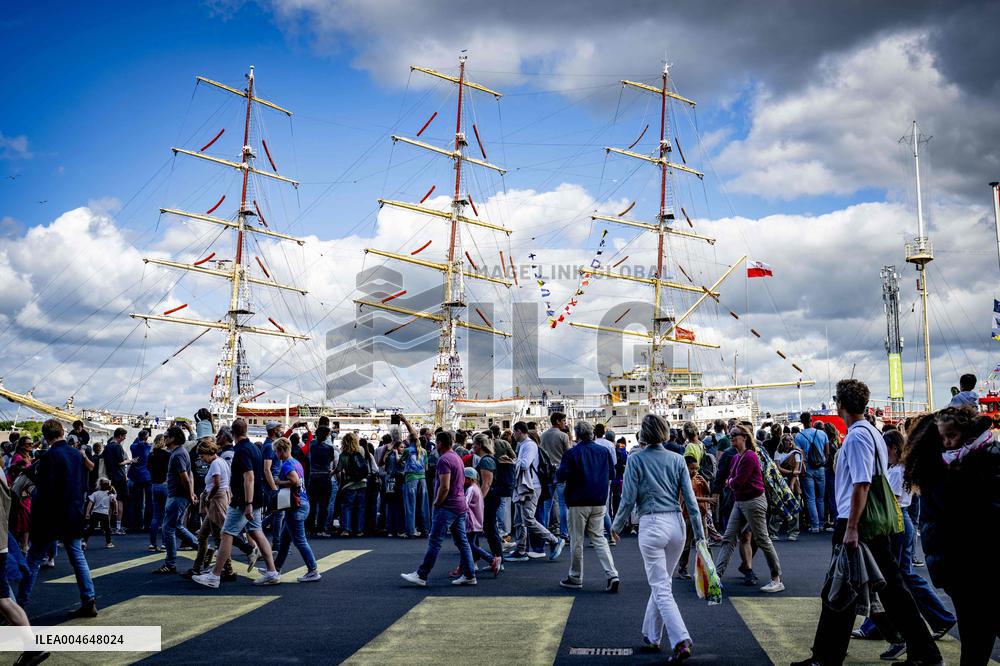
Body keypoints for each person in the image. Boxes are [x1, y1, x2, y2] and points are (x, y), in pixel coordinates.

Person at [792, 379, 942, 666]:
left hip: (856, 521)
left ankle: (825, 657)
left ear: (840, 405)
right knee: (886, 589)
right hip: (865, 521)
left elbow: (862, 483)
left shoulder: (858, 436)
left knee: (842, 589)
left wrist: (850, 528)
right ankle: (923, 651)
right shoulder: (872, 432)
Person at [903, 408, 998, 665]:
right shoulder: (964, 463)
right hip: (972, 561)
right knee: (979, 630)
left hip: (961, 562)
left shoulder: (941, 468)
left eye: (951, 436)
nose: (948, 442)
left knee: (975, 632)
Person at [854, 428, 956, 657]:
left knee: (896, 579)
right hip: (903, 521)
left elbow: (894, 499)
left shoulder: (897, 471)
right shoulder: (899, 469)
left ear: (892, 448)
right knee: (901, 577)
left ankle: (891, 626)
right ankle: (938, 618)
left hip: (899, 522)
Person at [611, 413, 703, 662]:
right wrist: (701, 536)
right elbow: (691, 502)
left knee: (660, 585)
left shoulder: (635, 459)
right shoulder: (677, 459)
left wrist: (616, 526)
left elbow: (628, 499)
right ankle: (652, 636)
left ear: (642, 433)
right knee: (663, 583)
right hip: (676, 524)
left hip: (651, 523)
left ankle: (681, 639)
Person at [16, 419, 97, 618]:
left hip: (51, 516)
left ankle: (19, 605)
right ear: (62, 431)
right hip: (73, 512)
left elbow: (45, 491)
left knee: (33, 559)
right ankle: (89, 599)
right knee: (77, 556)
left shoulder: (48, 457)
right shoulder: (76, 455)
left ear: (45, 436)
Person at [193, 418, 280, 588]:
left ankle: (214, 575)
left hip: (243, 500)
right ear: (246, 431)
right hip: (255, 498)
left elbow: (249, 477)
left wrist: (247, 502)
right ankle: (272, 571)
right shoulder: (255, 448)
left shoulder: (240, 451)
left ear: (232, 433)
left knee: (226, 534)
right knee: (256, 531)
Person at [714, 424, 784, 593]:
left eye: (734, 435)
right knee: (728, 537)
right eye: (730, 435)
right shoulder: (737, 457)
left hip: (753, 501)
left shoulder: (750, 456)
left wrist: (729, 483)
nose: (731, 438)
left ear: (744, 437)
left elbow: (736, 482)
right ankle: (715, 577)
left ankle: (776, 578)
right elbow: (733, 480)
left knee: (762, 539)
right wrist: (730, 482)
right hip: (741, 501)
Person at [401, 431, 477, 586]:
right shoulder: (456, 457)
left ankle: (422, 575)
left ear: (440, 443)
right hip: (459, 505)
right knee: (462, 542)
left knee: (435, 541)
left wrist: (437, 502)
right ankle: (469, 574)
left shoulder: (444, 460)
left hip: (447, 506)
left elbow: (445, 486)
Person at [556, 420, 619, 592]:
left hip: (578, 501)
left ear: (577, 434)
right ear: (591, 434)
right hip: (598, 500)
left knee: (577, 540)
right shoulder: (604, 451)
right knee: (599, 539)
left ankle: (576, 577)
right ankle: (612, 574)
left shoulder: (572, 453)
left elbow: (561, 475)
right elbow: (612, 474)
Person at [0, 470, 51, 666]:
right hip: (2, 543)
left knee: (4, 600)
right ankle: (32, 648)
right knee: (5, 600)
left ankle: (32, 648)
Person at [505, 422, 565, 563]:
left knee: (528, 519)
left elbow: (525, 464)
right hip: (527, 485)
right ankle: (521, 550)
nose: (513, 435)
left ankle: (554, 540)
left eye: (515, 432)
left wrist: (512, 462)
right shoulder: (526, 445)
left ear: (520, 431)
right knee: (519, 520)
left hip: (530, 486)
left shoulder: (529, 445)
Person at [182, 439, 235, 581]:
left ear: (208, 453)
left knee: (218, 538)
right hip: (219, 500)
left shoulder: (215, 464)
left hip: (216, 502)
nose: (202, 459)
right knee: (204, 536)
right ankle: (197, 567)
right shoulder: (222, 461)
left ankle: (227, 570)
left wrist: (208, 497)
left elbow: (216, 483)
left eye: (202, 456)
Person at [271, 437, 321, 582]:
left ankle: (313, 570)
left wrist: (279, 482)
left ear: (281, 450)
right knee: (285, 540)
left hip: (296, 507)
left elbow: (295, 481)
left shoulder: (287, 465)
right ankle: (276, 568)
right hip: (302, 504)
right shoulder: (296, 462)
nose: (275, 454)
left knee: (300, 541)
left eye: (276, 451)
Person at [154, 426, 199, 574]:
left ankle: (170, 563)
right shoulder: (181, 452)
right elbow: (189, 474)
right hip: (180, 495)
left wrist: (190, 494)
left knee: (168, 529)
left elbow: (185, 477)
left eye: (166, 436)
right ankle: (202, 548)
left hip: (177, 496)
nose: (164, 438)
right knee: (177, 527)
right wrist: (191, 494)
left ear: (173, 438)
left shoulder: (177, 454)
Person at [676, 455, 714, 580]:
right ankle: (683, 568)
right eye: (692, 469)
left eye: (696, 469)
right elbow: (688, 498)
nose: (695, 471)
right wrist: (708, 499)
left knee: (704, 541)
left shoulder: (697, 478)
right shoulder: (683, 479)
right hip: (687, 515)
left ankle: (708, 568)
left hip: (701, 514)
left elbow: (707, 491)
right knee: (686, 544)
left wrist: (704, 483)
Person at [474, 433, 506, 576]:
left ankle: (498, 559)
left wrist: (478, 501)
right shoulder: (488, 459)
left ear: (479, 445)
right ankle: (497, 558)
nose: (472, 447)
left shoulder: (486, 461)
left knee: (491, 529)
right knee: (490, 529)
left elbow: (486, 484)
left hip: (489, 499)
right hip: (492, 498)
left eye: (474, 444)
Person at [452, 467, 493, 575]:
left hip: (471, 522)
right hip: (477, 522)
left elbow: (465, 503)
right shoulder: (477, 488)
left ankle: (491, 560)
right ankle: (461, 567)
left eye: (463, 478)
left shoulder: (470, 490)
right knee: (469, 544)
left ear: (469, 478)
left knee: (469, 545)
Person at [794, 412, 829, 534]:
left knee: (810, 498)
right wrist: (823, 461)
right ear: (811, 420)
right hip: (820, 468)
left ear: (802, 422)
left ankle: (814, 525)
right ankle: (821, 523)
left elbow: (799, 454)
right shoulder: (822, 433)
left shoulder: (799, 436)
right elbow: (827, 452)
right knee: (820, 498)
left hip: (808, 468)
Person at [540, 412, 571, 539]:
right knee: (563, 504)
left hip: (548, 473)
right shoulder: (563, 436)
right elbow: (568, 454)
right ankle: (564, 533)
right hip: (560, 472)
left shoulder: (543, 436)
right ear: (558, 421)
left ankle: (545, 533)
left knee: (547, 505)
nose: (565, 422)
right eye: (563, 420)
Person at [399, 415, 428, 538]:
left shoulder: (407, 451)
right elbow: (426, 467)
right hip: (422, 479)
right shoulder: (424, 451)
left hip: (411, 479)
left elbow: (400, 462)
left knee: (410, 506)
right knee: (423, 506)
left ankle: (410, 530)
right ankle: (425, 529)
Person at [770, 434, 802, 542]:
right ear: (782, 442)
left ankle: (793, 532)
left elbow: (797, 471)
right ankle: (773, 531)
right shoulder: (778, 452)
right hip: (780, 481)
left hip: (793, 481)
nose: (790, 442)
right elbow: (777, 468)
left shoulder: (796, 453)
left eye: (791, 440)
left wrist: (792, 483)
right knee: (777, 506)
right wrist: (791, 472)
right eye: (787, 440)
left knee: (794, 506)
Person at [336, 432, 368, 537]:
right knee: (360, 507)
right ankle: (359, 530)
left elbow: (339, 469)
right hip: (362, 482)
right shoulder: (361, 450)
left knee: (347, 507)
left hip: (349, 484)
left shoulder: (342, 455)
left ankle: (346, 529)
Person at [306, 425, 335, 537]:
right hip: (324, 476)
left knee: (312, 504)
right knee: (324, 505)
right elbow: (331, 459)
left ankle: (309, 528)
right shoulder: (329, 448)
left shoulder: (312, 445)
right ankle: (320, 529)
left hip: (313, 476)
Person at [102, 427, 129, 535]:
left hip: (109, 477)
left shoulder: (107, 447)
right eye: (124, 436)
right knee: (120, 501)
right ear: (120, 436)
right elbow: (120, 462)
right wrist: (130, 461)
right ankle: (118, 527)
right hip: (120, 477)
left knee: (109, 503)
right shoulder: (117, 447)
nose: (124, 438)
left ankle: (107, 526)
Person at [127, 429, 152, 533]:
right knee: (149, 502)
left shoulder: (133, 447)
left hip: (136, 476)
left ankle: (137, 524)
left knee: (138, 502)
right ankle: (147, 524)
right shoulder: (148, 447)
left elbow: (136, 441)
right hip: (147, 476)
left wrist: (140, 437)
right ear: (146, 438)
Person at [147, 434, 169, 552]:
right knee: (166, 516)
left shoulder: (151, 455)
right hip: (165, 485)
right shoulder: (167, 455)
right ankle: (165, 543)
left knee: (156, 516)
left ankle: (152, 543)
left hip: (154, 485)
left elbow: (148, 468)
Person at [82, 478, 115, 549]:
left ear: (99, 485)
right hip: (104, 514)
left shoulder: (95, 493)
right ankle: (108, 543)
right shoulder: (109, 494)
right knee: (107, 529)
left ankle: (84, 541)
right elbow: (114, 501)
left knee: (91, 528)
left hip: (95, 513)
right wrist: (115, 510)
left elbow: (90, 504)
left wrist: (87, 513)